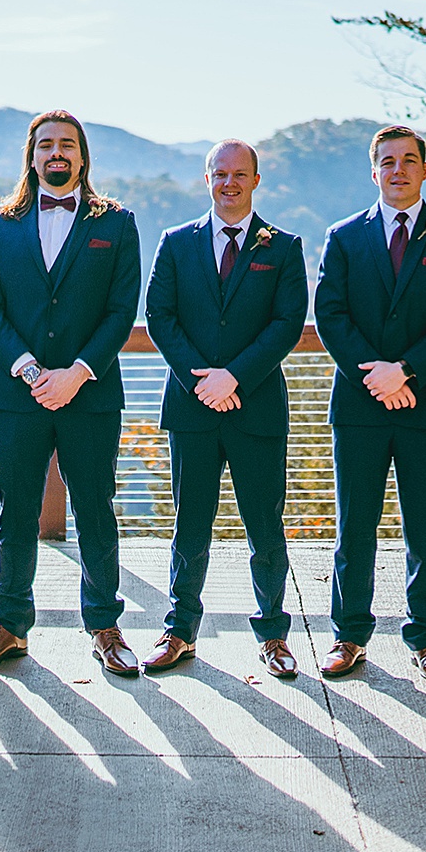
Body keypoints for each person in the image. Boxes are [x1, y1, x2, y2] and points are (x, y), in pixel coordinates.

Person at [0, 111, 141, 675]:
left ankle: (105, 627)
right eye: (45, 146)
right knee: (15, 511)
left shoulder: (117, 222)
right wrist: (33, 370)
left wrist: (78, 371)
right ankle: (9, 626)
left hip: (91, 392)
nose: (56, 153)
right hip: (18, 393)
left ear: (82, 156)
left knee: (94, 509)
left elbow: (121, 309)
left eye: (67, 145)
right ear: (31, 156)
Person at [313, 125, 426, 683]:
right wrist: (376, 377)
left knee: (425, 526)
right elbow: (331, 314)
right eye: (387, 161)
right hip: (359, 405)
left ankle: (425, 638)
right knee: (354, 523)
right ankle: (348, 635)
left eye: (409, 160)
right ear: (374, 170)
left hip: (424, 401)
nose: (398, 170)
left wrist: (404, 370)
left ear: (425, 170)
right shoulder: (343, 236)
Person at [141, 140, 307, 677]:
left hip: (255, 405)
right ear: (206, 178)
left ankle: (274, 634)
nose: (229, 183)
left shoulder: (283, 247)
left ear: (256, 180)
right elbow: (160, 316)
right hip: (192, 409)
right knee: (190, 523)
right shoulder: (175, 243)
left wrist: (234, 377)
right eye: (220, 173)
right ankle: (180, 629)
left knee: (265, 525)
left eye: (240, 174)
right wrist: (201, 383)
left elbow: (286, 324)